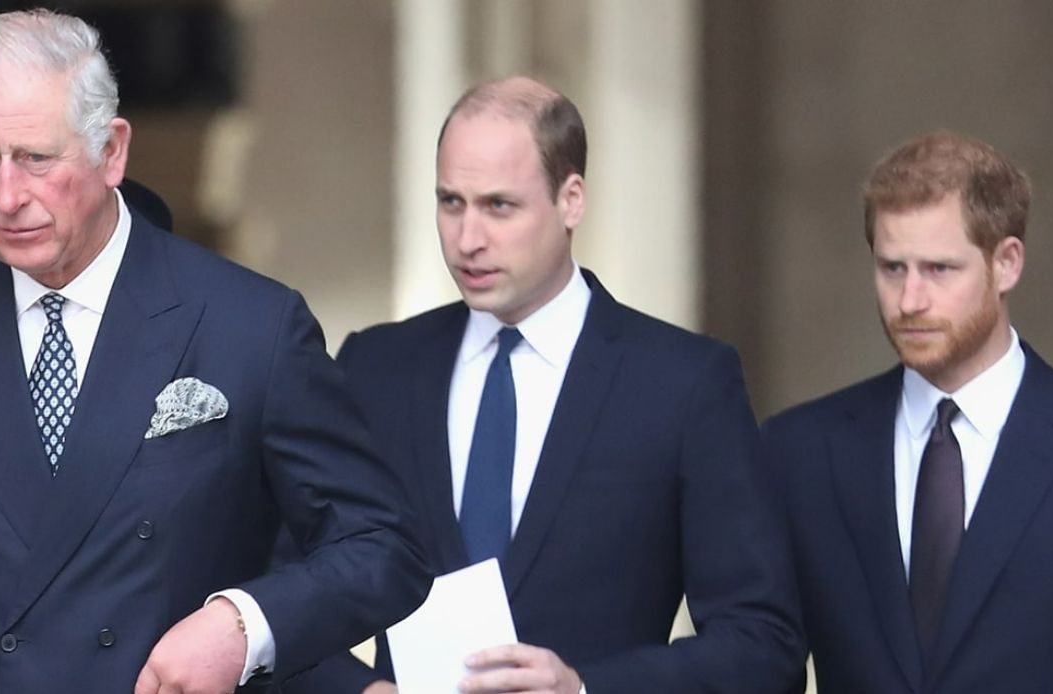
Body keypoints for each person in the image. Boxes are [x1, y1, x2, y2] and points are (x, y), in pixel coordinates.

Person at [0, 9, 429, 694]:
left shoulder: (250, 326)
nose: (7, 196)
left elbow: (382, 547)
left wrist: (243, 626)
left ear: (112, 151)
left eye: (37, 159)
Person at [283, 76, 804, 694]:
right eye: (451, 203)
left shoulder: (684, 384)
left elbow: (763, 647)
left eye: (499, 206)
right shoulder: (376, 367)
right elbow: (280, 593)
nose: (467, 239)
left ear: (571, 200)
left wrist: (584, 689)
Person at [763, 130, 1053, 692]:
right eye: (893, 268)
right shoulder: (800, 452)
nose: (910, 300)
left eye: (939, 269)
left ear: (1007, 263)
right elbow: (761, 660)